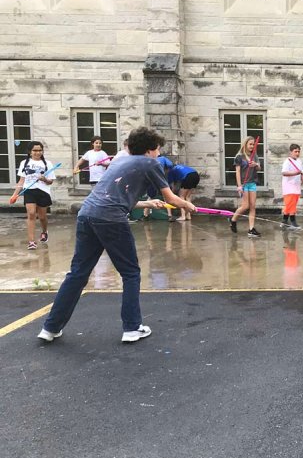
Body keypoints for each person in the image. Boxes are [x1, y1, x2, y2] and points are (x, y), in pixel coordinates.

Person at [36, 127, 197, 344]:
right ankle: (132, 328)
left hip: (87, 214)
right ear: (150, 149)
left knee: (78, 273)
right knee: (130, 272)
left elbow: (113, 197)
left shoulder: (120, 161)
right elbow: (171, 196)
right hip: (110, 219)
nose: (159, 153)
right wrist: (187, 204)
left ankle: (50, 328)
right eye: (158, 149)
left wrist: (148, 203)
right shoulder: (151, 163)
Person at [9, 141, 56, 250]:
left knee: (42, 217)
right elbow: (21, 181)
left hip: (43, 191)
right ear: (30, 152)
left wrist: (44, 179)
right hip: (29, 190)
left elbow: (51, 181)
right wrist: (14, 195)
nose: (37, 152)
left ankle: (44, 232)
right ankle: (31, 241)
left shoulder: (47, 163)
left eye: (40, 150)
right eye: (35, 150)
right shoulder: (24, 163)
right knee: (31, 214)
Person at [229, 136, 262, 237]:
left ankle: (251, 229)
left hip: (252, 183)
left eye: (253, 144)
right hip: (243, 184)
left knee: (252, 207)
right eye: (250, 144)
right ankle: (233, 219)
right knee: (245, 206)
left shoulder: (254, 155)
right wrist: (239, 186)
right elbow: (237, 172)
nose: (252, 146)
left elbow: (259, 169)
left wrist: (256, 164)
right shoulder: (239, 156)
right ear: (245, 144)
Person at [281, 143, 303, 230]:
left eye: (298, 151)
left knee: (292, 204)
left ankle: (284, 222)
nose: (297, 153)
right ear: (291, 152)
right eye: (295, 151)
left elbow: (301, 174)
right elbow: (284, 173)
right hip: (289, 187)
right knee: (290, 204)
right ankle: (293, 222)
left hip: (296, 186)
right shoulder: (287, 161)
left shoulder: (299, 161)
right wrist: (295, 173)